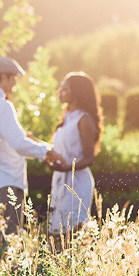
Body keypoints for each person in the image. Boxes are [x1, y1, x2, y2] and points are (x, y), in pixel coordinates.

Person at [0, 56, 65, 241]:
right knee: (9, 242)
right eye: (13, 78)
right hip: (7, 179)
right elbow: (18, 144)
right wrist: (46, 151)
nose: (15, 83)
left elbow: (6, 138)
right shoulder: (2, 105)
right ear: (4, 77)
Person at [47, 72, 102, 239]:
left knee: (73, 232)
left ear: (77, 93)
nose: (60, 91)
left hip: (76, 182)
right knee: (55, 232)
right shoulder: (66, 118)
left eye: (65, 89)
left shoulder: (84, 119)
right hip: (60, 180)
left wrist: (66, 167)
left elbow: (89, 158)